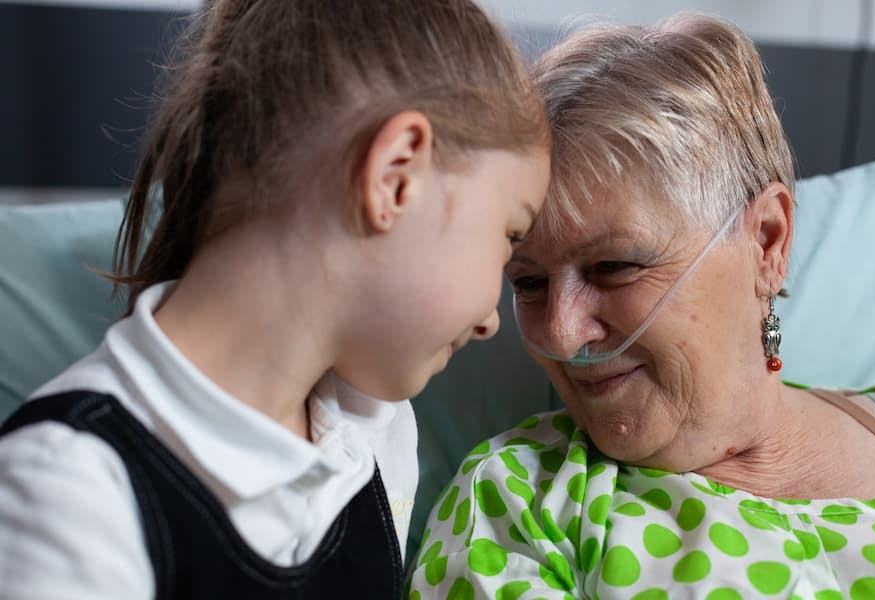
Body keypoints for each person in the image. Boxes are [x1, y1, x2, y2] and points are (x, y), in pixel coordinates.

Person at [0, 1, 550, 598]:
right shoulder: (68, 488)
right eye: (508, 238)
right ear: (395, 177)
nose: (495, 320)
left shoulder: (374, 433)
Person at [408, 13, 875, 599]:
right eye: (529, 283)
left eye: (613, 266)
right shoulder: (515, 502)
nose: (561, 335)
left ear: (767, 241)